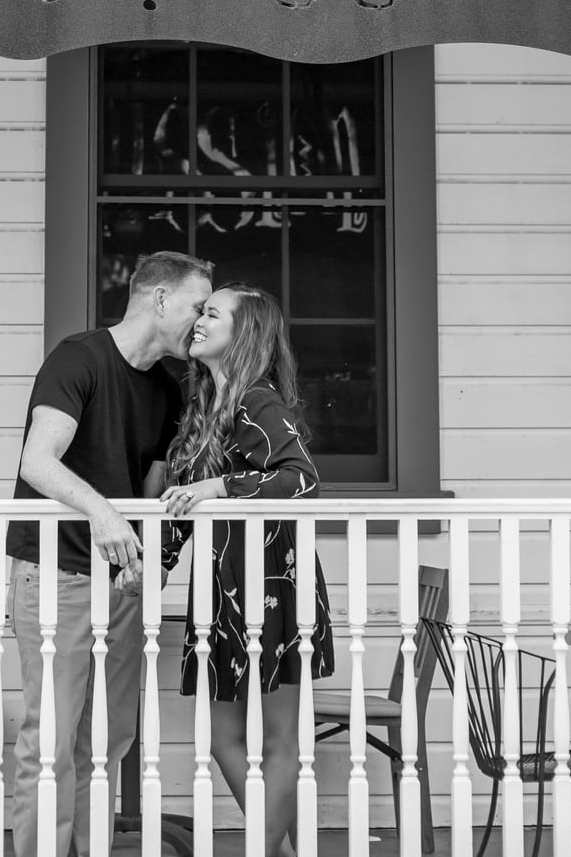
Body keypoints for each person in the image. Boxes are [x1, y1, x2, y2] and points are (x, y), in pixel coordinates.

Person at [5, 251, 213, 857]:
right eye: (198, 306)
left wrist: (154, 557)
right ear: (160, 299)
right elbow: (37, 461)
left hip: (122, 582)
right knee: (52, 737)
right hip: (56, 572)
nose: (202, 321)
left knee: (107, 737)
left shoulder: (168, 389)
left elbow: (150, 492)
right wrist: (102, 512)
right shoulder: (79, 357)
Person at [160, 282, 335, 857]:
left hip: (275, 579)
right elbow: (183, 504)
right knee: (222, 736)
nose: (199, 321)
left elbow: (301, 478)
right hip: (221, 587)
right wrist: (156, 563)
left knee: (282, 737)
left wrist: (220, 486)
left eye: (213, 314)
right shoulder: (205, 406)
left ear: (244, 336)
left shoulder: (257, 400)